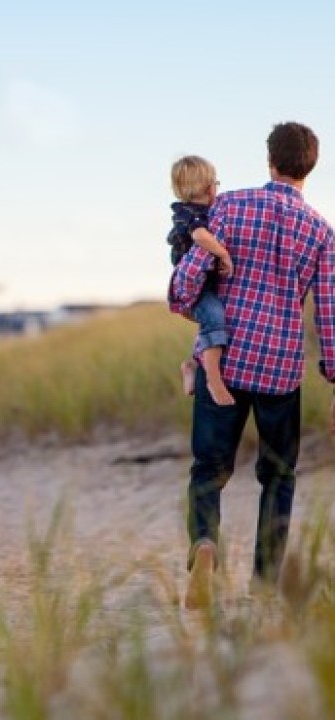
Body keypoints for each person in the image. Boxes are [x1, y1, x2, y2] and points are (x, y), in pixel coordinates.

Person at [170, 121, 335, 610]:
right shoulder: (322, 232)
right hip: (281, 370)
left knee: (208, 470)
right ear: (311, 166)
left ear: (270, 161)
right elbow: (328, 313)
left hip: (225, 359)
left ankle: (204, 546)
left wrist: (185, 297)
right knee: (279, 476)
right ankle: (264, 589)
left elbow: (188, 282)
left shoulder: (229, 206)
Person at [168, 155, 236, 406]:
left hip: (203, 286)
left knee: (212, 323)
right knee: (215, 318)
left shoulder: (203, 212)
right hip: (194, 289)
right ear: (210, 188)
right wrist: (223, 253)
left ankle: (192, 367)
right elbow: (199, 236)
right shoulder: (190, 215)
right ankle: (213, 380)